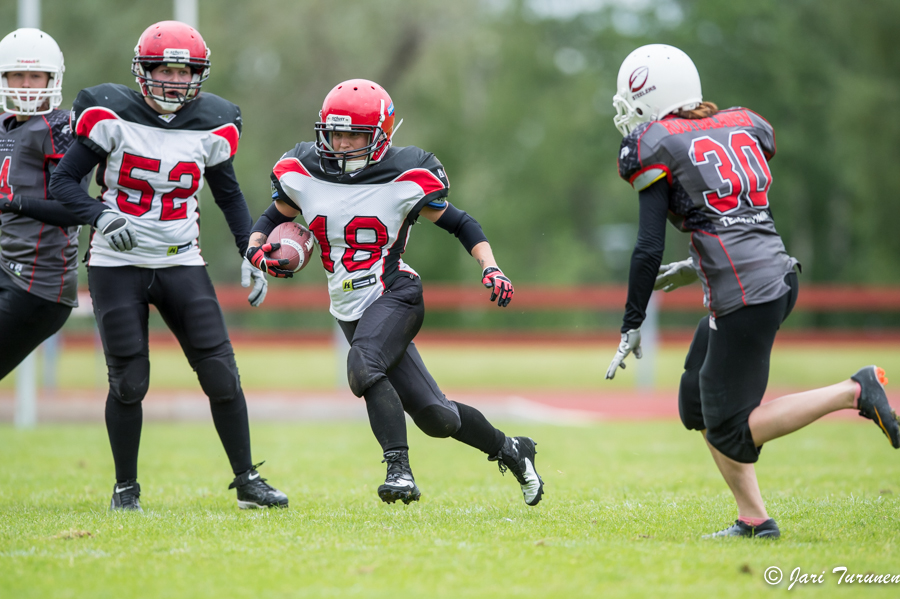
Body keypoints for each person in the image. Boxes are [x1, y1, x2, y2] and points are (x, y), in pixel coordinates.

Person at [605, 44, 898, 538]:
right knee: (695, 400)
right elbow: (735, 219)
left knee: (732, 430)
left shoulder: (655, 144)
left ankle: (855, 390)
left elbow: (647, 244)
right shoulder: (740, 124)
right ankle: (754, 519)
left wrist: (632, 320)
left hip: (746, 296)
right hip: (776, 279)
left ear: (650, 95)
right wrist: (691, 265)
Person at [246, 79, 544, 506]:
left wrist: (490, 266)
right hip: (349, 308)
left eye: (354, 135)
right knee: (436, 417)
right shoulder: (303, 170)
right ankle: (514, 450)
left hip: (396, 292)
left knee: (363, 364)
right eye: (336, 133)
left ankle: (398, 470)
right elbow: (273, 215)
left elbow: (461, 223)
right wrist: (256, 252)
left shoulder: (406, 175)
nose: (342, 144)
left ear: (382, 137)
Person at [48, 21, 285, 512]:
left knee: (221, 373)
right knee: (129, 380)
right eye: (166, 69)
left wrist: (251, 250)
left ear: (198, 75)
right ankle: (125, 490)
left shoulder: (214, 123)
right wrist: (102, 216)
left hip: (181, 259)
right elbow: (63, 184)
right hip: (117, 263)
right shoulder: (110, 114)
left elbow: (229, 196)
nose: (176, 80)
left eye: (185, 71)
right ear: (144, 70)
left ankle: (246, 480)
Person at [0, 28, 86, 380]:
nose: (26, 84)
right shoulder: (5, 126)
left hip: (39, 285)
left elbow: (75, 208)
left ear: (52, 78)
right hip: (6, 268)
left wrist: (13, 203)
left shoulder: (61, 127)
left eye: (35, 75)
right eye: (17, 74)